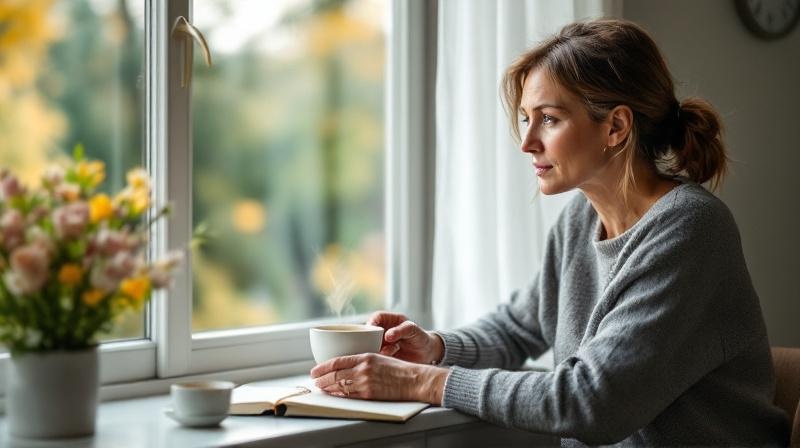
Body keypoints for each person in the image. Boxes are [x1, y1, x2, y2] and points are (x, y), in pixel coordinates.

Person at [310, 18, 790, 446]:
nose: (526, 142)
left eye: (550, 119)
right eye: (525, 119)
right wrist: (434, 348)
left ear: (616, 127)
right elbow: (522, 325)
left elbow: (592, 402)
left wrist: (422, 382)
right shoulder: (581, 220)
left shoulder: (690, 228)